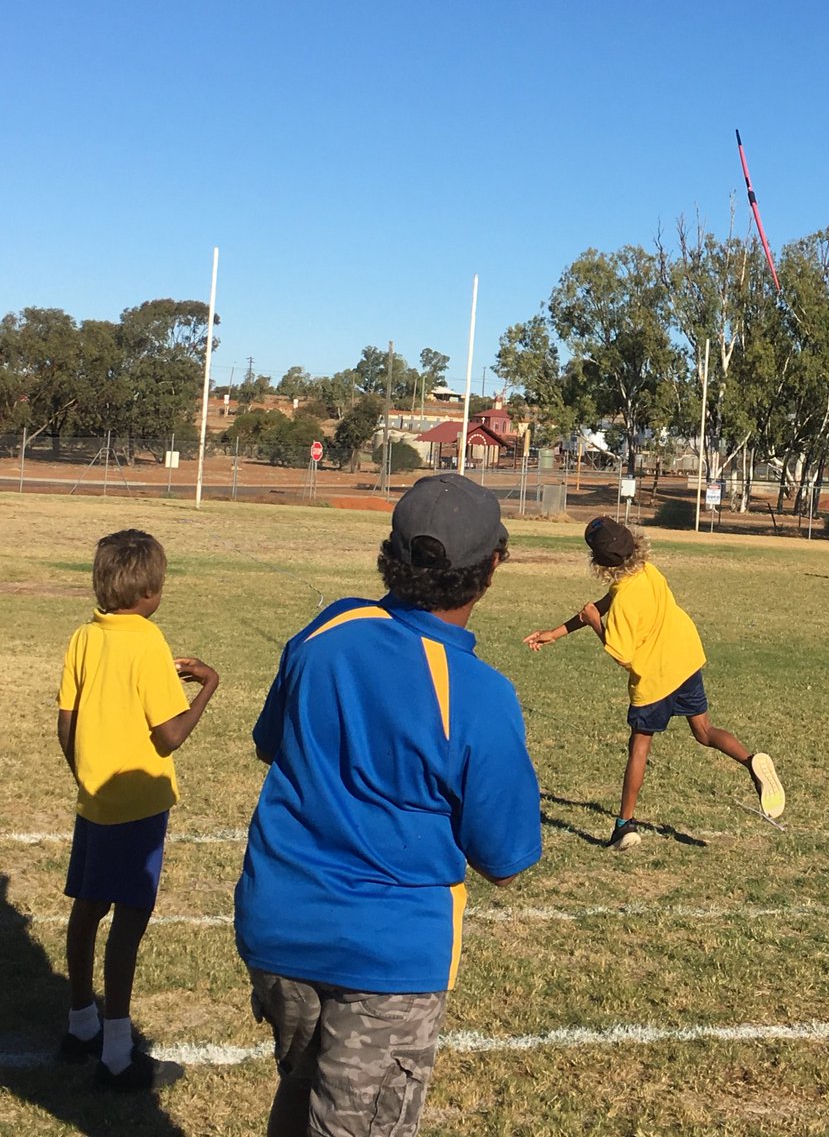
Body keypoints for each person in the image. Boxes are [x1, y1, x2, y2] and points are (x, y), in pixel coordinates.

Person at [235, 473, 541, 1137]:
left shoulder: (330, 627)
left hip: (277, 931)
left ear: (391, 555)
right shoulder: (481, 696)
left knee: (306, 1090)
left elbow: (271, 744)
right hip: (386, 958)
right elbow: (506, 860)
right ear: (492, 566)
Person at [56, 529, 220, 1090]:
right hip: (139, 805)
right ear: (149, 590)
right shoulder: (148, 640)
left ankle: (80, 1026)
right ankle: (118, 1056)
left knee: (86, 910)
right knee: (127, 924)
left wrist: (86, 772)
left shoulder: (84, 636)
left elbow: (66, 724)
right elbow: (169, 735)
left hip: (94, 798)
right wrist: (208, 687)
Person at [524, 516, 784, 850]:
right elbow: (603, 603)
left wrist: (593, 624)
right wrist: (554, 634)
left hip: (656, 678)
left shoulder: (624, 604)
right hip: (686, 659)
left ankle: (624, 825)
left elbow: (622, 654)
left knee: (640, 747)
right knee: (704, 731)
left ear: (600, 563)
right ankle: (752, 762)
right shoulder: (647, 572)